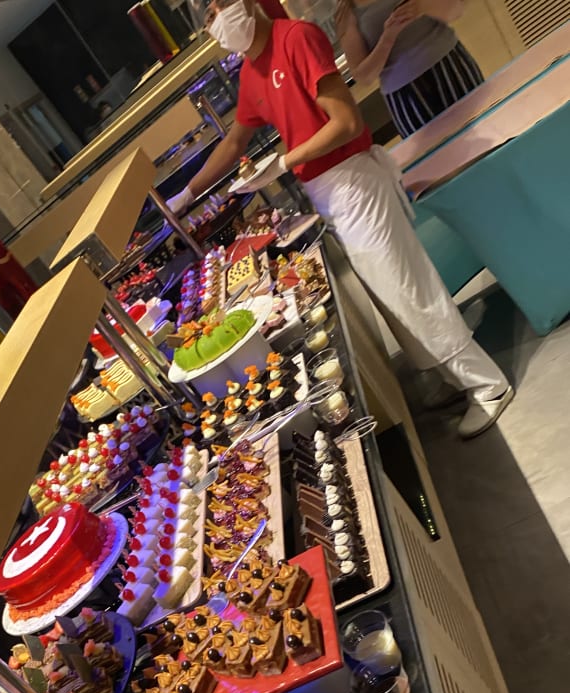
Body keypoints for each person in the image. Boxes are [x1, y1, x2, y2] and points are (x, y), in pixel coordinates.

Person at [170, 0, 511, 437]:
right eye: (208, 15)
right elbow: (234, 141)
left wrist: (283, 161)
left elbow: (346, 122)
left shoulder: (296, 38)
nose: (216, 18)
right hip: (326, 192)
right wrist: (186, 194)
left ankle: (487, 386)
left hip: (354, 179)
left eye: (220, 5)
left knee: (408, 289)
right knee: (391, 298)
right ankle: (452, 376)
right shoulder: (251, 74)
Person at [335, 0, 484, 137]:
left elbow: (456, 9)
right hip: (406, 97)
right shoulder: (347, 9)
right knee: (437, 154)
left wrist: (422, 6)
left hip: (451, 67)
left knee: (484, 128)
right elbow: (363, 76)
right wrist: (388, 38)